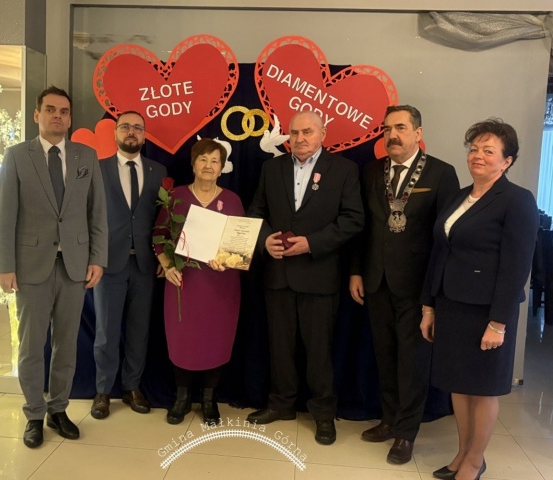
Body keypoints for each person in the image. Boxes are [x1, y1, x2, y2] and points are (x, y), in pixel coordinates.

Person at [420, 119, 539, 480]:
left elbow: (517, 266)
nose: (478, 156)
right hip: (452, 304)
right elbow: (440, 252)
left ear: (507, 161)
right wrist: (429, 305)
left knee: (484, 389)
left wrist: (498, 323)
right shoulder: (459, 196)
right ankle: (462, 453)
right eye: (474, 149)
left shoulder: (517, 200)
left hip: (488, 311)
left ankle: (475, 460)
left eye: (489, 151)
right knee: (459, 385)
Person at [0, 86, 108, 448]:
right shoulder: (17, 156)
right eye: (50, 109)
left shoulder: (86, 156)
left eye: (63, 111)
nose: (57, 116)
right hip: (30, 267)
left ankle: (58, 409)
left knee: (66, 344)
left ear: (70, 118)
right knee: (31, 346)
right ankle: (33, 413)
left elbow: (97, 213)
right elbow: (5, 215)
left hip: (74, 266)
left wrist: (97, 258)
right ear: (37, 115)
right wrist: (5, 265)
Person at [349, 105, 459, 464]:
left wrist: (435, 291)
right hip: (376, 280)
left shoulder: (441, 173)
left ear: (417, 133)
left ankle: (406, 433)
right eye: (387, 129)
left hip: (416, 285)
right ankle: (389, 420)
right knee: (385, 355)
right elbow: (362, 228)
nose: (392, 135)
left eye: (400, 128)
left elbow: (446, 238)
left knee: (413, 362)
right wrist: (356, 271)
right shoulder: (371, 171)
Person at [246, 110, 364, 445]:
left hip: (319, 274)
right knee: (280, 347)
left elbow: (354, 219)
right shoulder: (271, 169)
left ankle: (323, 413)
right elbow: (256, 212)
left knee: (319, 351)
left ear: (323, 133)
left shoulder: (344, 170)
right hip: (278, 274)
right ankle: (281, 404)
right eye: (295, 133)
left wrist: (312, 243)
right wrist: (264, 240)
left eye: (308, 132)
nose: (300, 138)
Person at [155, 138, 244, 425]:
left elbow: (238, 247)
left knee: (216, 339)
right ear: (193, 164)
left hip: (221, 285)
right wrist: (167, 266)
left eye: (214, 160)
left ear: (222, 167)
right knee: (183, 340)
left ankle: (209, 400)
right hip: (183, 282)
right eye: (203, 159)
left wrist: (227, 259)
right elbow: (159, 237)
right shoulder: (176, 197)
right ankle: (182, 398)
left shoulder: (233, 201)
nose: (208, 165)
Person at [91, 111, 167, 419]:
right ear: (115, 133)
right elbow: (89, 216)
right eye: (125, 127)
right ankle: (103, 390)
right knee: (106, 332)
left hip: (146, 264)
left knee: (139, 330)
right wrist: (93, 257)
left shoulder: (158, 171)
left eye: (137, 127)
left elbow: (163, 217)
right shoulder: (98, 170)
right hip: (108, 263)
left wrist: (165, 256)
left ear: (145, 135)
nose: (131, 132)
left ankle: (132, 387)